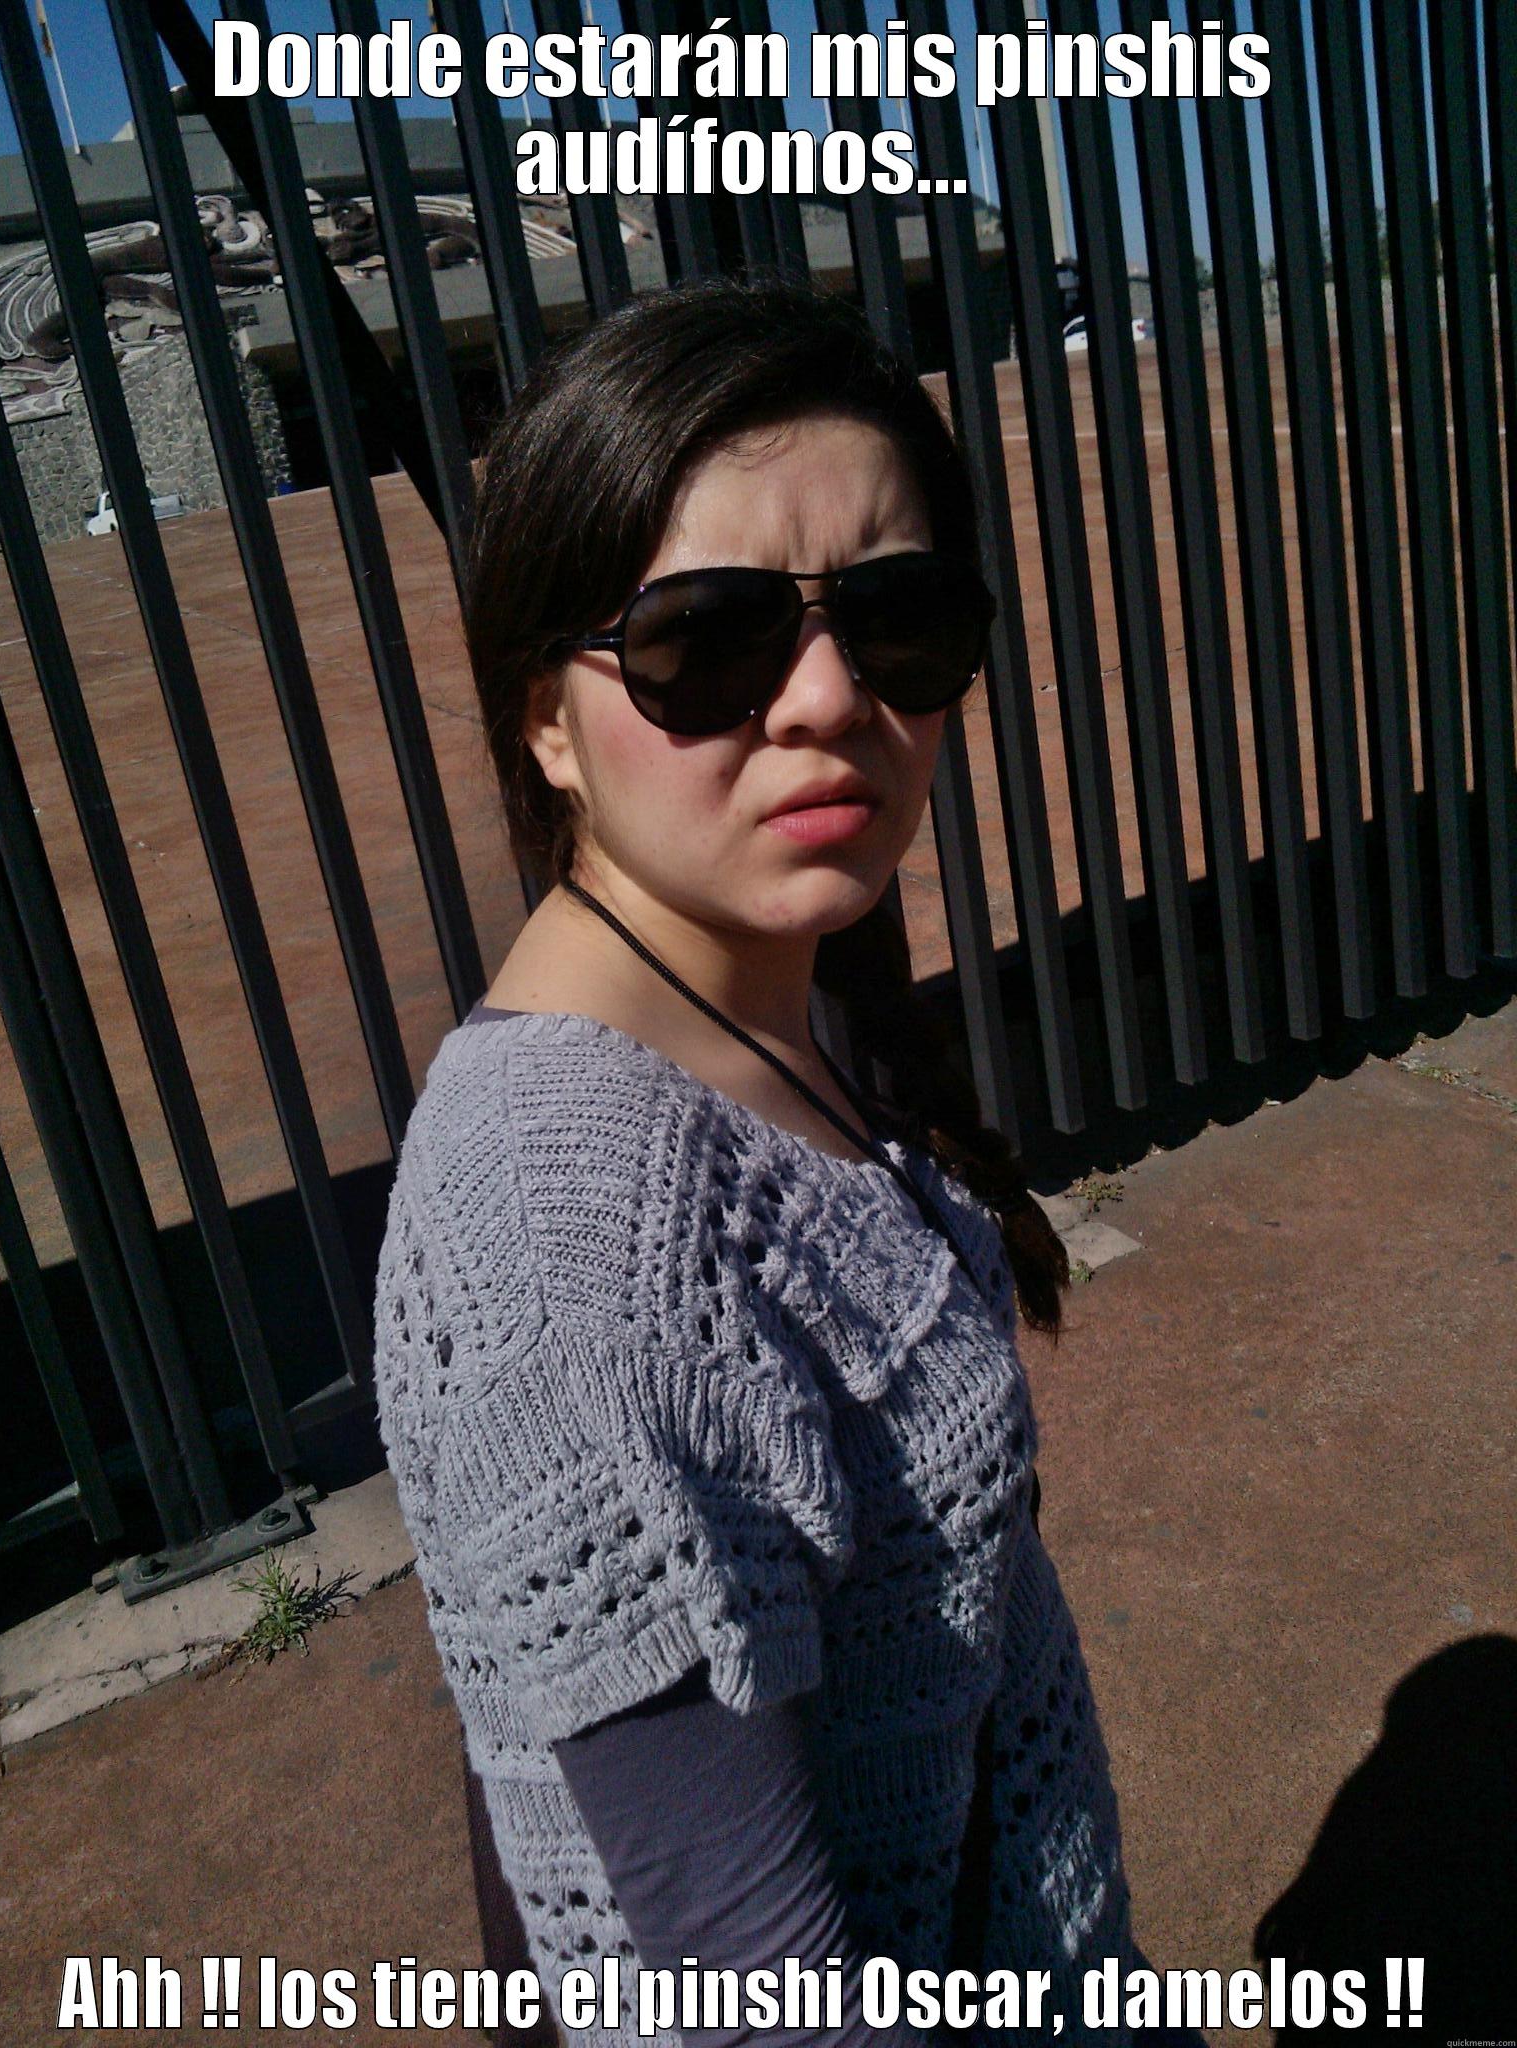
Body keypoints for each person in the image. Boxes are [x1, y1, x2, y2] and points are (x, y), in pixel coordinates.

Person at [374, 277, 1193, 2048]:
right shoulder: (567, 1241)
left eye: (899, 618)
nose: (829, 698)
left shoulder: (767, 997)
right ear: (544, 717)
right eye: (708, 638)